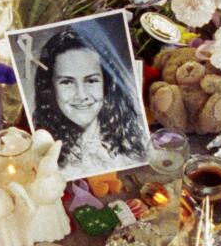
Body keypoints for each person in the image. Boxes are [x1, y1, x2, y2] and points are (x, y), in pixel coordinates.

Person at [31, 25, 148, 176]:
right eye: (67, 82)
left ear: (107, 84)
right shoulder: (45, 151)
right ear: (50, 87)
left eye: (91, 81)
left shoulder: (132, 147)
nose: (81, 95)